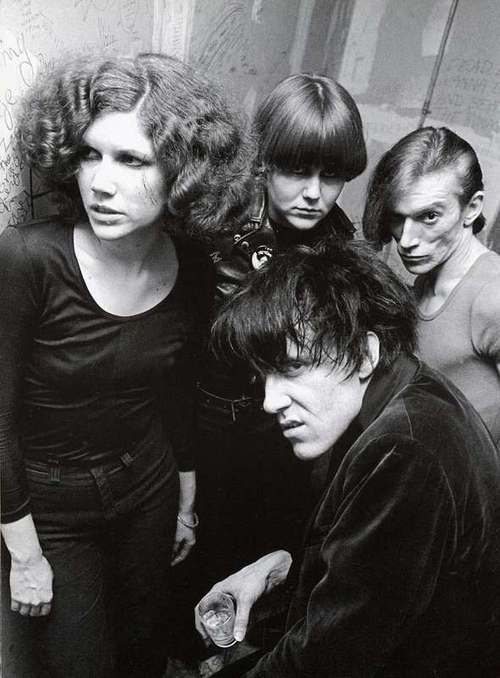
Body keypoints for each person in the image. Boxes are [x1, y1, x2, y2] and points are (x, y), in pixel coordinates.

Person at [0, 52, 252, 678]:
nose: (100, 183)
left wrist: (184, 499)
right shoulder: (26, 260)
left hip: (148, 485)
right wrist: (24, 555)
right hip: (52, 507)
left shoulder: (192, 265)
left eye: (132, 160)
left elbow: (178, 392)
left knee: (144, 652)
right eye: (91, 154)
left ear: (184, 173)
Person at [196, 241, 500, 677]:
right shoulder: (405, 389)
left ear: (364, 353)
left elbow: (329, 660)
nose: (269, 401)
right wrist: (280, 570)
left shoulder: (403, 451)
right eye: (263, 376)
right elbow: (382, 574)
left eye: (292, 367)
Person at [195, 73, 367, 589]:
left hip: (291, 435)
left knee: (271, 561)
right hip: (213, 434)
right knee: (203, 566)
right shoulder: (217, 228)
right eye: (296, 171)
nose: (314, 193)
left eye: (331, 176)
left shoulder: (337, 235)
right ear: (264, 162)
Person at [362, 126, 500, 446]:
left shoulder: (492, 295)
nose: (407, 240)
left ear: (472, 208)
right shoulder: (426, 282)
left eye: (429, 217)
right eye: (398, 216)